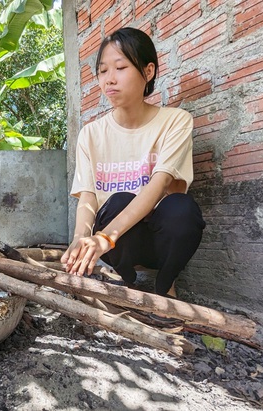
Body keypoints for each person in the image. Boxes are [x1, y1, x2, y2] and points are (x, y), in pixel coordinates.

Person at [61, 27, 206, 298]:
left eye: (120, 67)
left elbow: (160, 182)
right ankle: (129, 281)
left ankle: (165, 286)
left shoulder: (175, 121)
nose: (109, 80)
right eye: (103, 71)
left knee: (183, 209)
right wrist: (81, 239)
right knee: (117, 201)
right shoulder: (91, 134)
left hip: (160, 236)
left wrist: (104, 237)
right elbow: (88, 198)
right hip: (120, 243)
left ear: (148, 72)